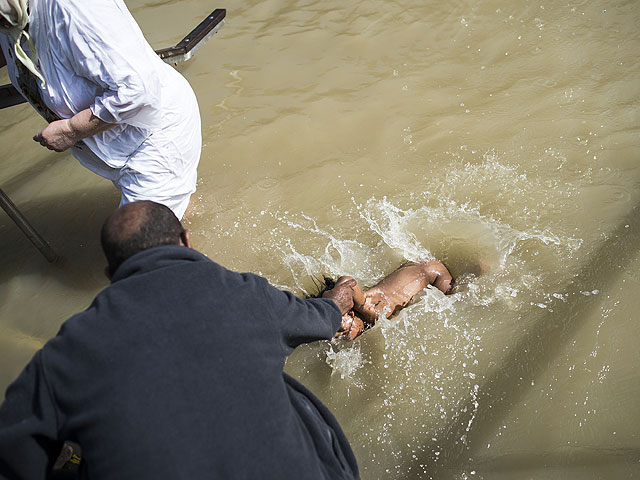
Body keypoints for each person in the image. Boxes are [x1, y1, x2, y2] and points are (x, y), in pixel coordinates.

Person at [0, 201, 359, 479]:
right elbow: (320, 319)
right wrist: (337, 300)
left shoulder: (66, 351)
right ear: (187, 240)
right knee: (286, 388)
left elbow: (12, 453)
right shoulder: (243, 293)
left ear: (111, 274)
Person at [0, 0, 201, 219]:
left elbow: (136, 90)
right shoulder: (15, 12)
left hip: (155, 136)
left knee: (137, 247)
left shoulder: (75, 8)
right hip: (120, 145)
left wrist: (70, 130)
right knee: (170, 220)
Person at [330, 260, 454, 340]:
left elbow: (347, 282)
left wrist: (332, 305)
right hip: (414, 267)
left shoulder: (370, 308)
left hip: (435, 275)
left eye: (342, 331)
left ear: (350, 314)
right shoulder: (366, 322)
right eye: (338, 337)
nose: (344, 338)